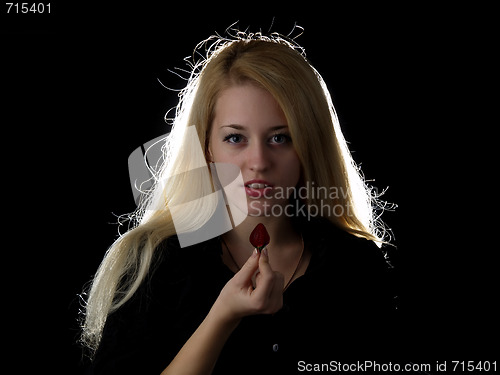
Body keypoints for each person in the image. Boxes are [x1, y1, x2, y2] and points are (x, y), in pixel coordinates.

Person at [81, 31, 397, 375]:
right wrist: (223, 316)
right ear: (207, 148)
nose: (259, 161)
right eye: (236, 138)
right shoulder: (153, 262)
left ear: (309, 146)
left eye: (281, 138)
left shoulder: (357, 266)